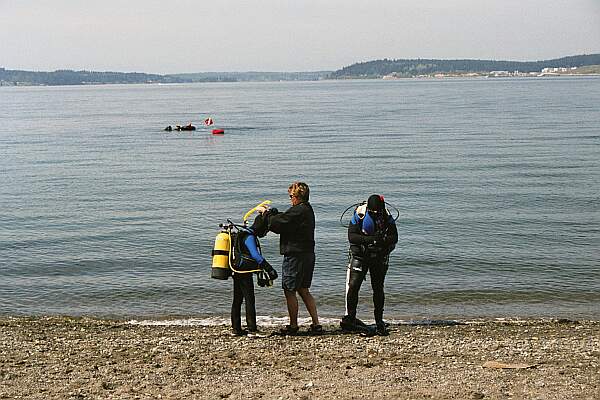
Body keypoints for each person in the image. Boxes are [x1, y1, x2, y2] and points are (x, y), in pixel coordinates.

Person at [259, 182, 321, 335]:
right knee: (304, 289)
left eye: (291, 196)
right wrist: (273, 213)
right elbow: (286, 218)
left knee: (289, 290)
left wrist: (266, 214)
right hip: (308, 254)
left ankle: (293, 325)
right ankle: (316, 323)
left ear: (298, 197)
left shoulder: (299, 210)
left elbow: (279, 224)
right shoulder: (307, 209)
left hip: (295, 255)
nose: (290, 199)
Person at [341, 194, 398, 336]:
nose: (375, 214)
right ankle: (351, 318)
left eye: (377, 212)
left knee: (378, 288)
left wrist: (381, 241)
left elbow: (394, 237)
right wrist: (370, 240)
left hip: (379, 257)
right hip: (361, 255)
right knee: (353, 286)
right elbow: (351, 236)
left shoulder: (386, 215)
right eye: (372, 212)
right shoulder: (360, 214)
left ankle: (379, 320)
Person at [229, 213, 278, 336]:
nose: (265, 233)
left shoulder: (243, 233)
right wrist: (269, 268)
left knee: (237, 299)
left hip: (236, 270)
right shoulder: (249, 237)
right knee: (250, 299)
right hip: (244, 272)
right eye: (265, 230)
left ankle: (236, 328)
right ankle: (252, 329)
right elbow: (256, 255)